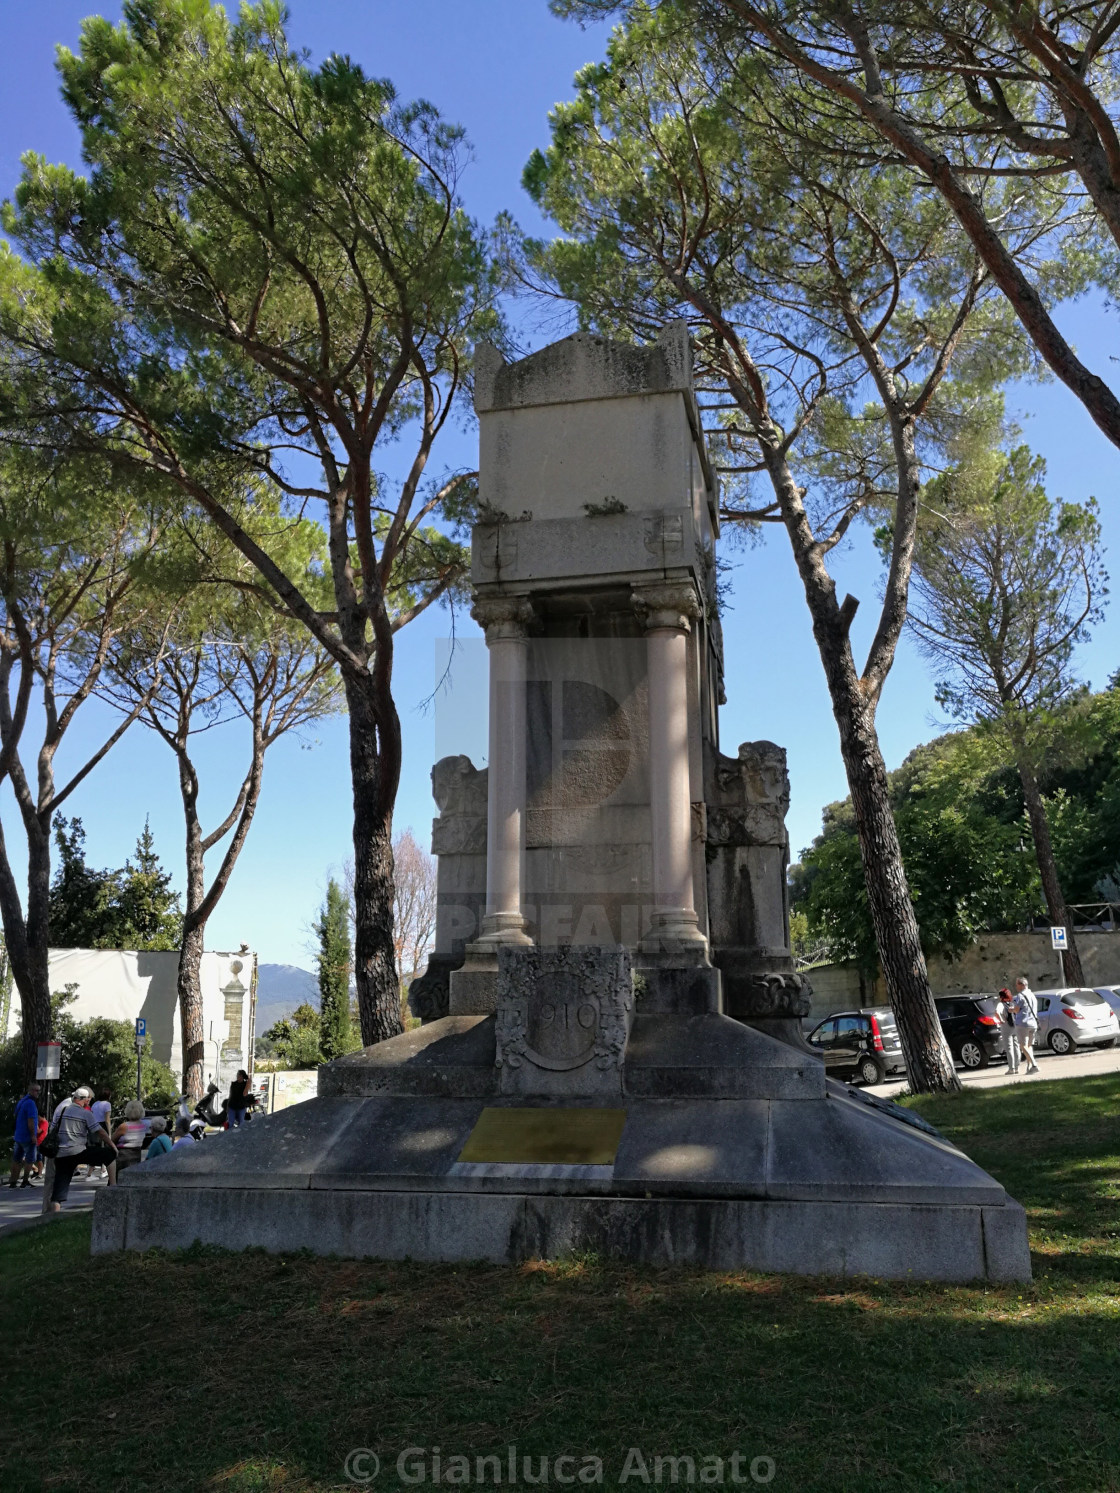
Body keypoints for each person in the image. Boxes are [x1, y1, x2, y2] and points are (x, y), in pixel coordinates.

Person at [47, 1086, 118, 1212]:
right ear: (85, 1100)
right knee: (109, 1155)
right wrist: (112, 1145)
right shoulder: (86, 1113)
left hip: (61, 1154)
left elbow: (52, 1129)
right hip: (78, 1151)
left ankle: (54, 1218)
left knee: (58, 1194)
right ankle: (113, 1187)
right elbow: (100, 1132)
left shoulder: (62, 1111)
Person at [8, 1082, 41, 1189]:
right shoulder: (30, 1103)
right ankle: (25, 1181)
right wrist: (33, 1135)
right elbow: (31, 1120)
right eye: (36, 1090)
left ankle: (13, 1181)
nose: (38, 1093)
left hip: (19, 1135)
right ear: (30, 1091)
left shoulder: (21, 1102)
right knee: (30, 1159)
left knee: (16, 1159)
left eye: (38, 1090)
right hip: (27, 1136)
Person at [111, 1100, 148, 1178]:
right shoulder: (144, 1125)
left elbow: (112, 1140)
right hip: (137, 1154)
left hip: (123, 1156)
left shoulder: (124, 1126)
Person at [1012, 976, 1041, 1075]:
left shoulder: (1020, 996)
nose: (1016, 986)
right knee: (1029, 1046)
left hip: (1023, 1023)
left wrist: (1011, 1010)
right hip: (1033, 1023)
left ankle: (1034, 1065)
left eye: (1017, 984)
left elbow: (1017, 1009)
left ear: (1022, 985)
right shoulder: (1032, 995)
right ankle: (1029, 1068)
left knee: (1023, 1046)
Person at [996, 988, 1020, 1075]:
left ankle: (1011, 1068)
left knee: (1009, 1048)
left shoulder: (1001, 1004)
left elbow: (996, 1012)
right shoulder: (1012, 1002)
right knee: (1016, 1046)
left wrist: (1001, 1019)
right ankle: (1017, 1067)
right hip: (1015, 1026)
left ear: (1001, 996)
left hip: (1006, 1027)